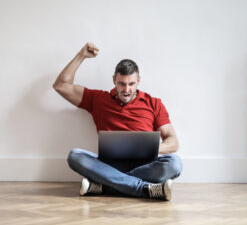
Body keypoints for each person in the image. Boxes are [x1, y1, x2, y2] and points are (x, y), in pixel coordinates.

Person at [53, 42, 183, 201]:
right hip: (108, 166)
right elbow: (61, 85)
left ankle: (106, 185)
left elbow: (173, 141)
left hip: (145, 165)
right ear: (114, 80)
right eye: (121, 83)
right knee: (75, 156)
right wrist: (81, 55)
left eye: (131, 84)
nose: (126, 90)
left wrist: (151, 150)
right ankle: (144, 189)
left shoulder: (153, 103)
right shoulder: (98, 99)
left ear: (138, 81)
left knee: (174, 163)